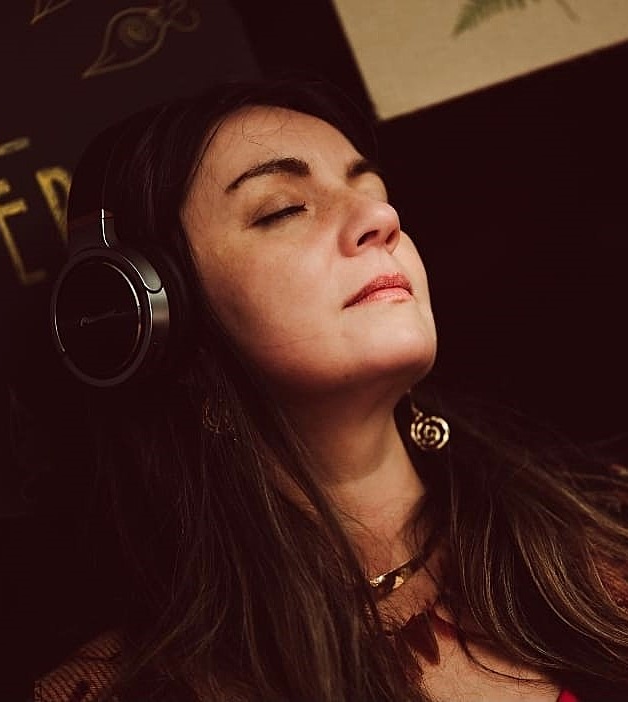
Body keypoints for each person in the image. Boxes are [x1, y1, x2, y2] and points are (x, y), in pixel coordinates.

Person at [37, 78, 628, 702]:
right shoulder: (127, 689)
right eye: (283, 209)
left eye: (374, 193)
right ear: (159, 322)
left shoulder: (609, 524)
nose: (382, 219)